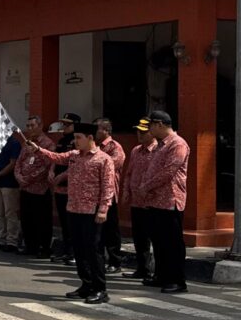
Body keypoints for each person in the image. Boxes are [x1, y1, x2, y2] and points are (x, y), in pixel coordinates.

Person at [25, 122, 117, 304]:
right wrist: (37, 150)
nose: (75, 142)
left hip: (92, 212)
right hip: (74, 209)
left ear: (90, 138)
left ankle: (100, 289)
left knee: (93, 250)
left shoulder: (104, 159)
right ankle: (86, 284)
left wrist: (103, 210)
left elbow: (108, 187)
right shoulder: (74, 156)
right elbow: (56, 157)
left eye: (78, 138)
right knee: (79, 250)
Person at [138, 111, 190, 294]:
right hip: (155, 200)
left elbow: (168, 172)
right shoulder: (160, 145)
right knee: (158, 241)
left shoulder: (178, 144)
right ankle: (161, 275)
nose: (149, 129)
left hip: (170, 200)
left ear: (160, 124)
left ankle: (177, 280)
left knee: (172, 243)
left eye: (151, 125)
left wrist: (146, 186)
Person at [119, 118, 158, 279]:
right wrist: (126, 190)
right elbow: (129, 173)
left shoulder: (158, 150)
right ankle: (142, 268)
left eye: (143, 132)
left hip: (151, 201)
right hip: (136, 201)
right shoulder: (136, 150)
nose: (139, 135)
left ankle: (154, 269)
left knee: (153, 237)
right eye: (138, 132)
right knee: (139, 237)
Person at [15, 116, 56, 257]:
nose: (29, 128)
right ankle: (30, 246)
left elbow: (46, 167)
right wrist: (19, 177)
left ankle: (44, 248)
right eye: (28, 125)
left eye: (32, 125)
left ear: (40, 126)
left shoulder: (48, 144)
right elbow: (19, 162)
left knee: (42, 221)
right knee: (27, 219)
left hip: (40, 189)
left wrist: (28, 179)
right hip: (25, 189)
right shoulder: (27, 144)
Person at [94, 118, 126, 273]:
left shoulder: (115, 147)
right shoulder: (95, 147)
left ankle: (115, 260)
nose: (94, 131)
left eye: (97, 128)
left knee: (111, 229)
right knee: (97, 231)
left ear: (106, 130)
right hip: (94, 194)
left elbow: (110, 167)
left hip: (109, 193)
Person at [50, 113, 80, 263]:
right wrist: (51, 171)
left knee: (72, 223)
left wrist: (62, 176)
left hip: (71, 188)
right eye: (63, 124)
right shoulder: (61, 141)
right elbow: (55, 158)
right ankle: (67, 251)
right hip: (59, 187)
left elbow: (76, 165)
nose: (64, 127)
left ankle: (74, 253)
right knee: (63, 221)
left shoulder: (77, 143)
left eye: (67, 125)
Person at [0, 136, 22, 251]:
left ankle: (12, 241)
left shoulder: (14, 143)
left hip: (9, 183)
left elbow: (13, 163)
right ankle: (1, 239)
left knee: (10, 213)